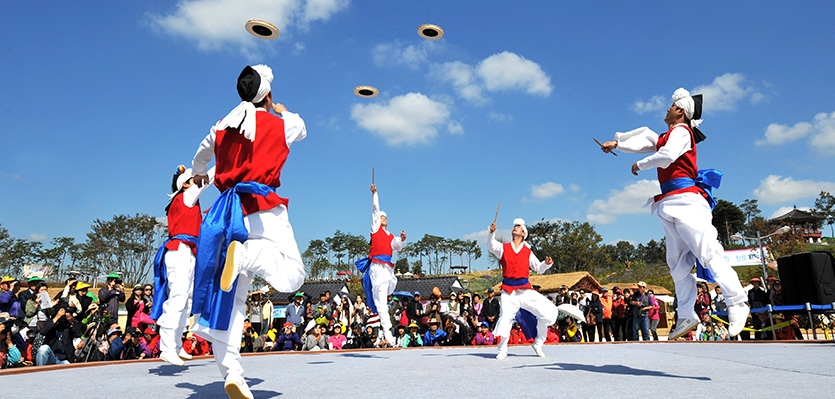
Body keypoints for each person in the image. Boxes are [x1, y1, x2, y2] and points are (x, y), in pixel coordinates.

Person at [190, 64, 307, 399]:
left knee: (231, 300)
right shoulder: (280, 123)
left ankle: (233, 375)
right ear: (267, 95)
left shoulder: (221, 127)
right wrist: (282, 109)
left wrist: (199, 173)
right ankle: (247, 256)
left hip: (228, 213)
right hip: (265, 210)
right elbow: (301, 127)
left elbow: (200, 155)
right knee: (292, 277)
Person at [601, 88, 749, 339]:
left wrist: (641, 164)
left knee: (708, 252)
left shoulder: (681, 131)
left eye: (671, 106)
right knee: (677, 264)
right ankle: (686, 314)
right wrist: (617, 144)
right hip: (670, 202)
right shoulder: (668, 135)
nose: (667, 109)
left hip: (687, 201)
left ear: (680, 111)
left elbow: (667, 155)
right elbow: (647, 142)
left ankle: (737, 301)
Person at [153, 164, 214, 366]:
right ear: (186, 184)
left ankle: (177, 346)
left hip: (189, 251)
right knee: (178, 296)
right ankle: (166, 347)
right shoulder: (185, 196)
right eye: (192, 179)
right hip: (178, 249)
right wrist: (224, 160)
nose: (197, 180)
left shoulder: (190, 199)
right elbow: (207, 181)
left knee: (187, 299)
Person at [488, 218, 559, 360]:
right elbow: (491, 246)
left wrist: (546, 264)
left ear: (523, 233)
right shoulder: (504, 248)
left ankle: (538, 342)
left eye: (518, 227)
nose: (515, 228)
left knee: (548, 312)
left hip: (525, 290)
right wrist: (492, 233)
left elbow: (538, 268)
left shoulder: (527, 251)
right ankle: (502, 349)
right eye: (514, 226)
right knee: (506, 317)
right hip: (508, 291)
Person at [355, 184, 407, 345]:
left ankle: (383, 317)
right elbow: (375, 210)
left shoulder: (390, 235)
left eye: (385, 217)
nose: (384, 218)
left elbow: (396, 246)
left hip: (388, 269)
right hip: (377, 267)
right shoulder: (375, 228)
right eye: (382, 217)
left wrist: (402, 239)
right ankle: (388, 334)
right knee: (382, 302)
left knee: (390, 287)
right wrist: (375, 194)